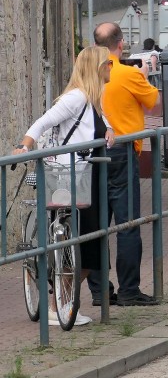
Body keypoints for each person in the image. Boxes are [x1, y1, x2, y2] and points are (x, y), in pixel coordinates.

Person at [12, 46, 116, 326]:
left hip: (84, 178)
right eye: (109, 63)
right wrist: (25, 145)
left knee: (90, 246)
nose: (112, 68)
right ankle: (61, 304)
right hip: (68, 176)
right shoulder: (76, 97)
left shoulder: (92, 99)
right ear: (97, 67)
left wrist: (108, 130)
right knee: (80, 243)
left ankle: (64, 302)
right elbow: (42, 123)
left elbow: (102, 124)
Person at [89, 22, 160, 307]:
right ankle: (129, 290)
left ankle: (99, 291)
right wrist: (143, 74)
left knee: (96, 225)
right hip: (120, 151)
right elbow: (153, 102)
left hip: (89, 152)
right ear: (120, 45)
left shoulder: (86, 74)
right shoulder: (128, 73)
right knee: (127, 223)